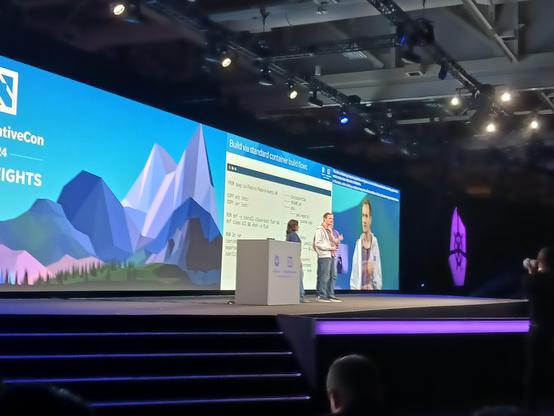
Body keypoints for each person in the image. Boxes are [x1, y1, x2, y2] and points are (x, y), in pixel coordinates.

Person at [524, 246, 554, 408]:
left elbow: (530, 287)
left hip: (538, 330)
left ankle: (531, 405)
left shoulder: (533, 280)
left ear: (541, 261)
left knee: (534, 369)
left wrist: (531, 270)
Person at [350, 198, 382, 290]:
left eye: (366, 216)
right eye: (362, 216)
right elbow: (354, 274)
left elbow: (378, 274)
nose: (364, 220)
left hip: (373, 296)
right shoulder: (358, 244)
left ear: (370, 219)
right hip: (359, 296)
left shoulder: (375, 243)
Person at [314, 212, 342, 302]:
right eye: (329, 218)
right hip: (324, 255)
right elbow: (316, 244)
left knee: (331, 275)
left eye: (332, 219)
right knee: (324, 276)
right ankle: (321, 295)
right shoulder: (320, 230)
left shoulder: (330, 231)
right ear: (324, 219)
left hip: (330, 255)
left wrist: (334, 243)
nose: (331, 220)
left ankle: (329, 294)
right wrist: (330, 248)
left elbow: (335, 243)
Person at [286, 219, 306, 303]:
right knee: (299, 277)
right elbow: (295, 249)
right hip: (295, 260)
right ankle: (300, 296)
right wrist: (298, 260)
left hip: (292, 260)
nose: (298, 227)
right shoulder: (293, 235)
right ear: (294, 226)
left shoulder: (289, 235)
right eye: (297, 225)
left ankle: (298, 296)